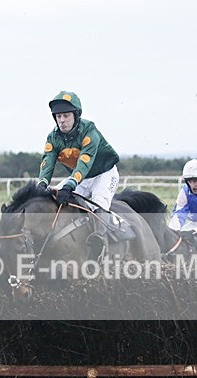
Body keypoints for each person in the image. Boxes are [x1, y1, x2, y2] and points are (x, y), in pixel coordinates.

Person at [37, 91, 121, 260]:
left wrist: (70, 184)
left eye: (66, 116)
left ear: (76, 115)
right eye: (58, 116)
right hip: (81, 178)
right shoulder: (53, 137)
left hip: (104, 174)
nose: (62, 120)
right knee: (51, 199)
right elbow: (47, 162)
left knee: (99, 201)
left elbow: (84, 163)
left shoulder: (89, 130)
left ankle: (99, 240)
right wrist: (41, 185)